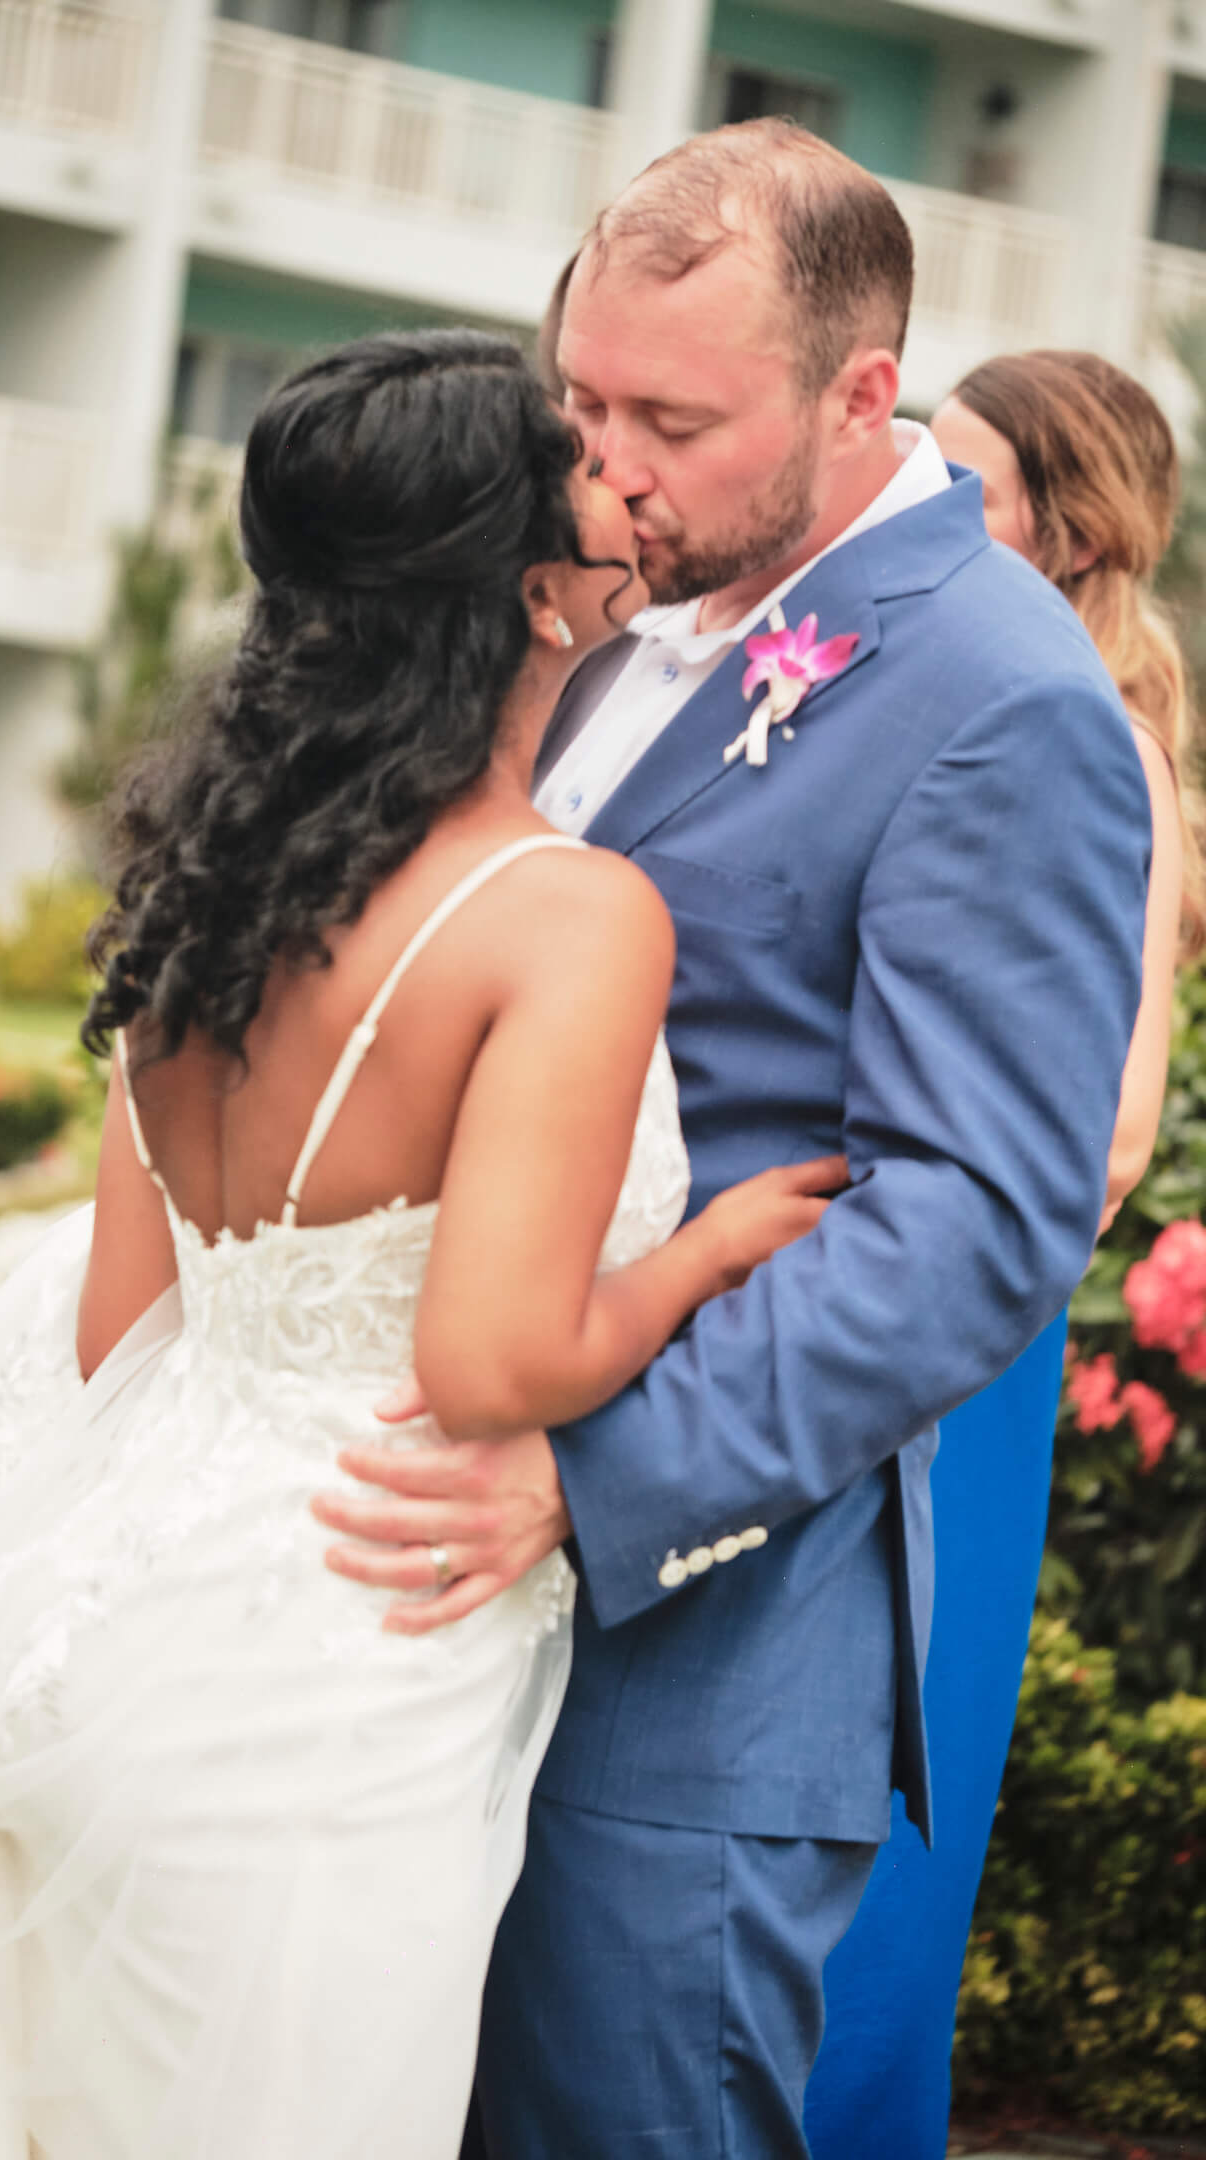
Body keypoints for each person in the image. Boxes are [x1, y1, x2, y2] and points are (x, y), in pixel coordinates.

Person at [0, 331, 843, 2158]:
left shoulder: (211, 866)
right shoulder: (566, 919)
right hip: (333, 1669)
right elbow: (488, 1369)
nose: (621, 479)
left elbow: (123, 1319)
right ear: (529, 587)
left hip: (75, 1622)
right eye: (577, 459)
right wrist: (706, 1253)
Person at [310, 122, 1154, 2157]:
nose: (604, 465)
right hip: (387, 1612)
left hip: (689, 1650)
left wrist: (587, 1482)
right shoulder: (588, 597)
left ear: (865, 397)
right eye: (580, 399)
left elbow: (973, 1218)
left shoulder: (1002, 696)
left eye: (670, 420)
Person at [806, 349, 1204, 2160]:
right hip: (885, 1281)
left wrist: (910, 1237)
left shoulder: (1094, 739)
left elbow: (1112, 1125)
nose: (919, 494)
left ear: (1057, 520)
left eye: (959, 473)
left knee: (892, 1751)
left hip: (958, 1327)